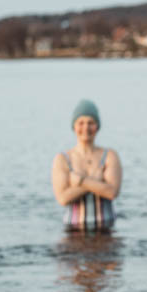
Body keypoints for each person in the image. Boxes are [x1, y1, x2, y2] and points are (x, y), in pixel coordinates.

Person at [51, 99, 122, 231]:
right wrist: (97, 181)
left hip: (106, 229)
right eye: (81, 123)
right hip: (73, 231)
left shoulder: (110, 156)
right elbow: (63, 198)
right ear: (74, 126)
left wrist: (80, 181)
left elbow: (112, 192)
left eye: (91, 123)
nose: (86, 128)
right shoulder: (63, 159)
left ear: (97, 126)